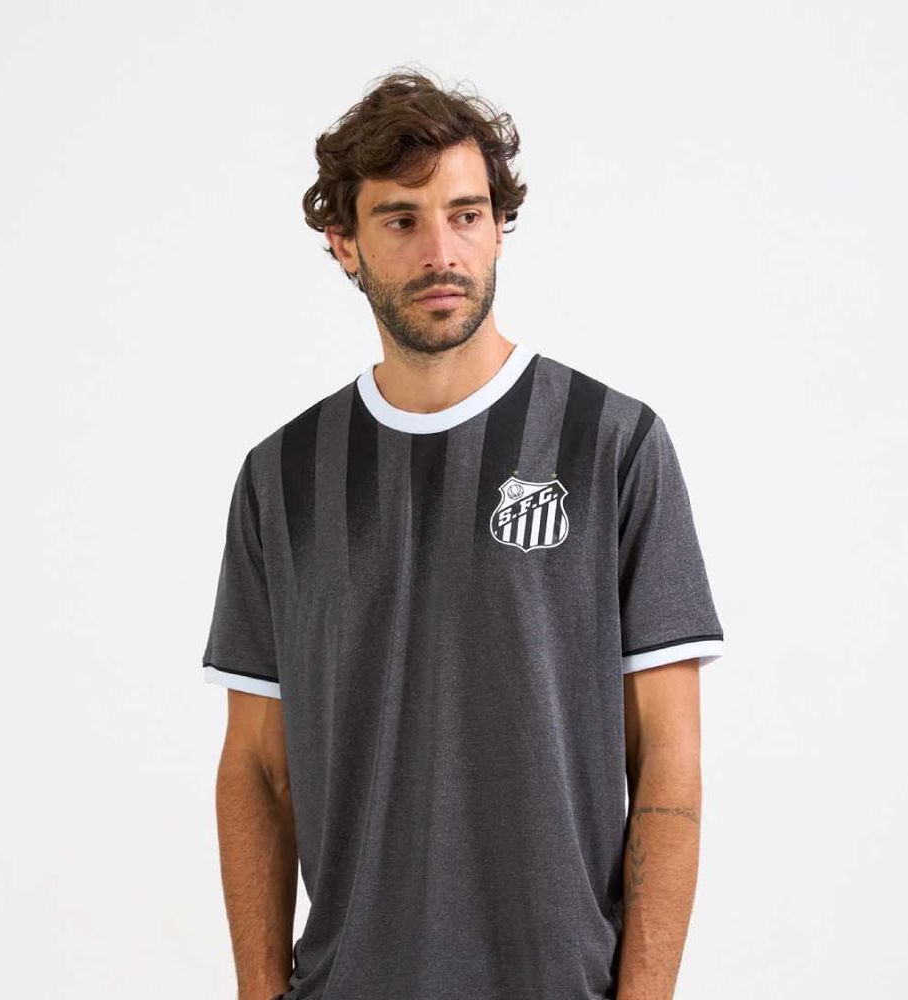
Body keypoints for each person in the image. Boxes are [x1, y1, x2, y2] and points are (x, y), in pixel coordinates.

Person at [201, 68, 725, 1000]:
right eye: (401, 220)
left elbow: (669, 769)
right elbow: (258, 770)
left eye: (467, 214)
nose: (440, 250)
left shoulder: (612, 445)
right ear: (345, 243)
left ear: (499, 225)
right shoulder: (282, 477)